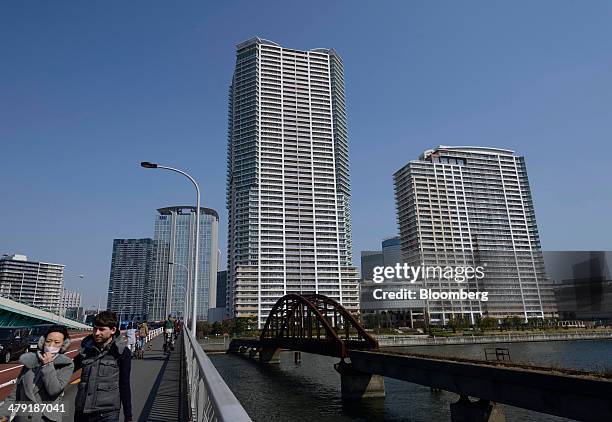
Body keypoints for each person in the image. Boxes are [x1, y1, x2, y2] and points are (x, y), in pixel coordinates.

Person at [0, 325, 74, 422]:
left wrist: (48, 364)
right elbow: (15, 394)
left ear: (63, 345)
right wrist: (3, 414)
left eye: (56, 342)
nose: (51, 345)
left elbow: (53, 390)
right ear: (43, 342)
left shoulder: (66, 364)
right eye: (48, 341)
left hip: (45, 419)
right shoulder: (31, 361)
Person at [73, 311, 132, 422]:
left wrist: (128, 415)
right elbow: (70, 368)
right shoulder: (85, 349)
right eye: (95, 329)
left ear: (113, 330)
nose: (96, 333)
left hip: (107, 412)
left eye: (101, 329)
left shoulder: (122, 352)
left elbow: (124, 384)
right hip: (82, 410)